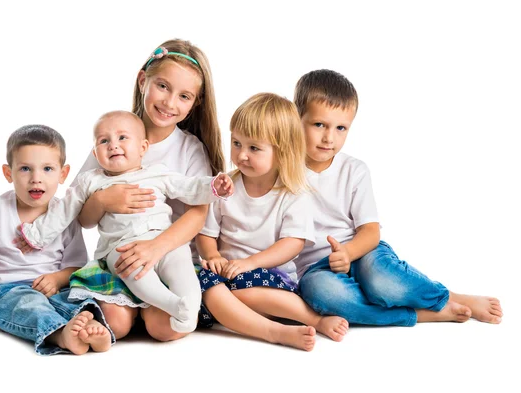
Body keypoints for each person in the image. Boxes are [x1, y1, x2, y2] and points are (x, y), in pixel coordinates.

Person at [294, 69, 503, 326]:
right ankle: (421, 314)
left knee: (382, 282)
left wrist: (347, 253)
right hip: (315, 268)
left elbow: (370, 232)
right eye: (319, 125)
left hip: (361, 251)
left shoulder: (354, 170)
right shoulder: (282, 171)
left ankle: (447, 296)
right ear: (296, 118)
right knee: (324, 294)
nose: (329, 138)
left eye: (341, 128)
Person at [19, 111, 233, 333]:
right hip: (122, 246)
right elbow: (63, 210)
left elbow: (189, 188)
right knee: (134, 271)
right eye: (104, 141)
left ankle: (188, 305)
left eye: (122, 138)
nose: (113, 145)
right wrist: (36, 235)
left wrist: (214, 187)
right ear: (95, 152)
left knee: (183, 270)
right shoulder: (90, 180)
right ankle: (173, 305)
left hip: (163, 240)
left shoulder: (157, 173)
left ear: (143, 148)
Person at [73, 39, 226, 342]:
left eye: (184, 96)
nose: (170, 103)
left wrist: (155, 248)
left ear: (195, 103)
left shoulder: (189, 149)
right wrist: (103, 199)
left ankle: (151, 307)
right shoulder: (112, 139)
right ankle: (125, 311)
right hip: (123, 255)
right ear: (143, 80)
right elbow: (82, 218)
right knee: (114, 324)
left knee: (164, 328)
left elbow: (197, 215)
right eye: (163, 86)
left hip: (169, 252)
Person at [0, 125, 112, 355]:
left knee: (78, 298)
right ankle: (60, 335)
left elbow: (76, 266)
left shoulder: (65, 215)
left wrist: (57, 278)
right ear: (9, 173)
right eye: (25, 169)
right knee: (28, 304)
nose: (36, 179)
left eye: (47, 168)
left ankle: (90, 327)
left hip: (53, 288)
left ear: (63, 174)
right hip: (5, 291)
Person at [196, 93, 349, 352]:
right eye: (236, 143)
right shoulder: (224, 187)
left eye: (254, 148)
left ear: (282, 152)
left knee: (243, 292)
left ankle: (315, 320)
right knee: (210, 289)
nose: (241, 155)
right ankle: (272, 331)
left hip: (269, 278)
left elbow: (292, 244)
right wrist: (212, 255)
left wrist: (250, 263)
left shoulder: (292, 193)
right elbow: (206, 233)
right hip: (227, 276)